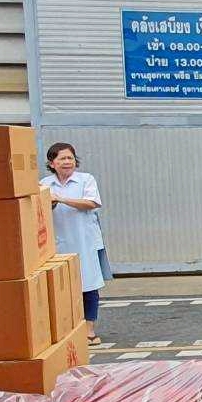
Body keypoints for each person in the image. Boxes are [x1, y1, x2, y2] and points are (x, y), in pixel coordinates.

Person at [42, 142, 114, 345]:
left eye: (70, 158)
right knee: (62, 287)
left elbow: (91, 203)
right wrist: (52, 203)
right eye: (62, 159)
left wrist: (61, 199)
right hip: (58, 242)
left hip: (85, 241)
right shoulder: (45, 184)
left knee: (89, 284)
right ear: (52, 163)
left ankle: (89, 329)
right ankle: (67, 329)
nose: (67, 162)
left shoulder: (85, 180)